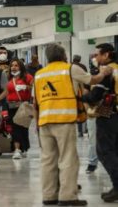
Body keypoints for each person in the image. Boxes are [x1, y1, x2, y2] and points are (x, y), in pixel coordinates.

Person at [33, 43, 111, 206]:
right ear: (63, 55)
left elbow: (36, 102)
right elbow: (92, 80)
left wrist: (37, 125)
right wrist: (104, 72)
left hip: (44, 122)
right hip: (64, 120)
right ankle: (67, 196)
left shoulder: (39, 74)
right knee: (68, 159)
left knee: (48, 160)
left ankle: (49, 196)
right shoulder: (70, 69)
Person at [82, 43, 118, 203]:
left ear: (107, 54)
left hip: (109, 116)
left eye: (97, 55)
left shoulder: (106, 72)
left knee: (105, 151)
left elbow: (94, 96)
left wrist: (81, 95)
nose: (95, 58)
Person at [6, 58, 33, 159]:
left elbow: (35, 88)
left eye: (16, 65)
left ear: (20, 66)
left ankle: (23, 147)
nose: (13, 67)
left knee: (23, 128)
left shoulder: (27, 77)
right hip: (11, 106)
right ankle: (17, 149)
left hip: (23, 107)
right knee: (15, 128)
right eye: (12, 65)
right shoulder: (8, 77)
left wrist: (26, 87)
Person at [72, 55, 88, 137]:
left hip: (75, 93)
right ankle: (85, 129)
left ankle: (79, 131)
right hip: (84, 91)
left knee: (78, 111)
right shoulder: (83, 67)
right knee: (84, 110)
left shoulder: (70, 67)